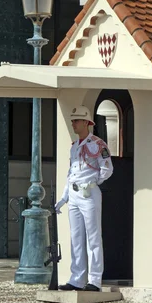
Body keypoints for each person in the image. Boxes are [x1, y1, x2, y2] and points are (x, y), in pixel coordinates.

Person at [55, 105, 113, 292]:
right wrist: (63, 198)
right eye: (73, 120)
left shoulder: (98, 144)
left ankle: (94, 280)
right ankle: (77, 279)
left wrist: (94, 181)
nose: (73, 123)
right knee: (76, 238)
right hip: (74, 194)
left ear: (87, 123)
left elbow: (107, 168)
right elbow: (71, 173)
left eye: (77, 120)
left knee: (93, 238)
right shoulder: (74, 147)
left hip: (89, 194)